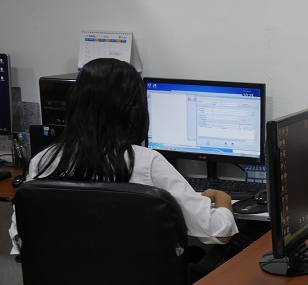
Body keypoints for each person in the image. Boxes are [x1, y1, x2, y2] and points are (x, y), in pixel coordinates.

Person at [9, 58, 238, 254]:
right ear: (133, 110)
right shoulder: (147, 163)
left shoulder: (43, 161)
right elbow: (219, 233)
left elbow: (20, 237)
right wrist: (222, 197)